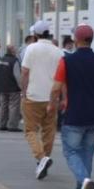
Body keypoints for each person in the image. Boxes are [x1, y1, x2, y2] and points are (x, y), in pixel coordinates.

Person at [51, 24, 94, 189]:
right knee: (87, 154)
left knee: (70, 151)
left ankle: (84, 181)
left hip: (73, 115)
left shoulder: (66, 61)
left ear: (76, 40)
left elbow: (56, 87)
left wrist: (52, 104)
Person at [21, 20, 64, 180]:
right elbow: (62, 77)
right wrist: (61, 97)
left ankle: (41, 158)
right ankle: (44, 159)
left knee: (30, 130)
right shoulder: (58, 51)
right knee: (49, 130)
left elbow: (25, 72)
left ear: (35, 34)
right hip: (52, 96)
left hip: (33, 95)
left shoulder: (31, 49)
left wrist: (23, 92)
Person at [0, 44, 23, 131]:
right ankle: (12, 126)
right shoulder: (14, 61)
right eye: (15, 49)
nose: (16, 51)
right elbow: (17, 76)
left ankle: (2, 124)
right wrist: (21, 87)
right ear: (12, 51)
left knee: (3, 105)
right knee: (13, 106)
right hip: (13, 87)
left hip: (2, 87)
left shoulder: (1, 59)